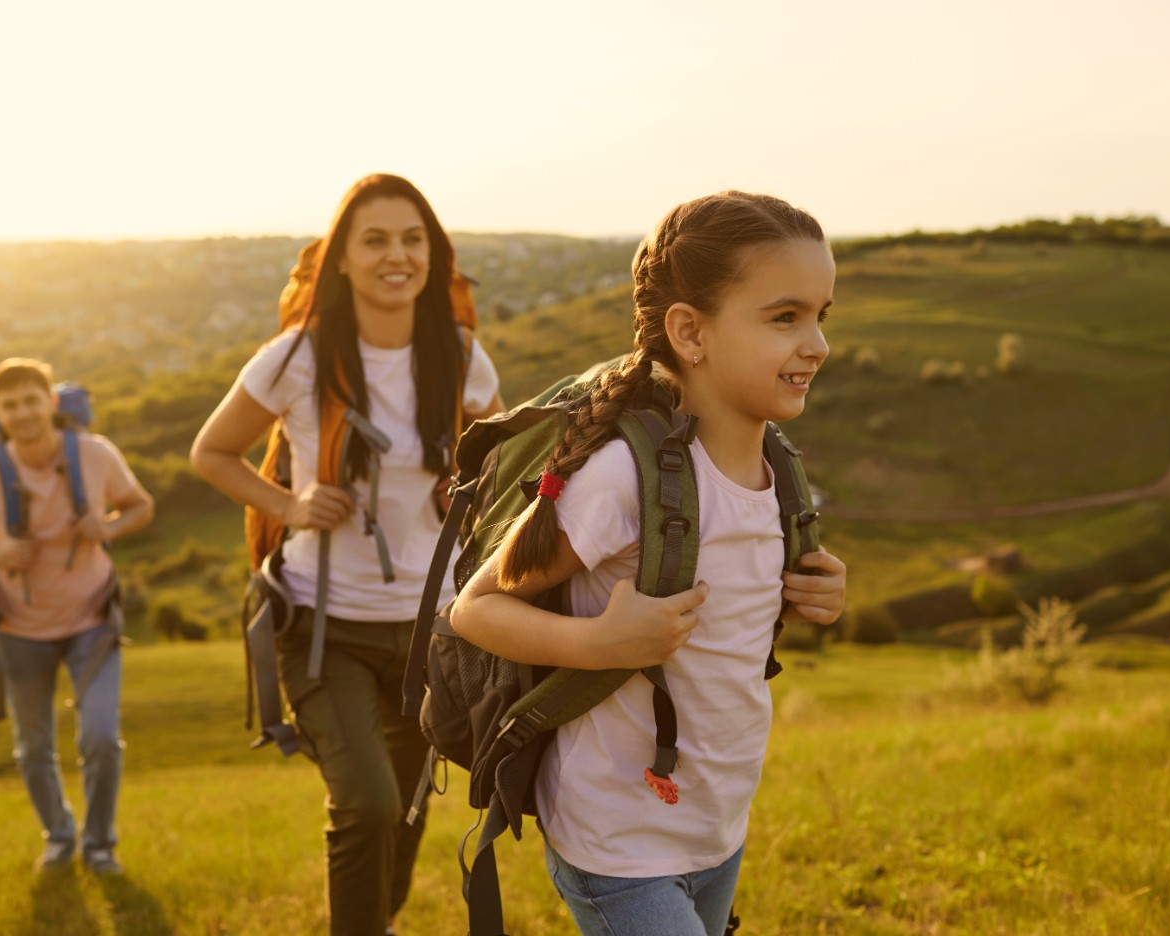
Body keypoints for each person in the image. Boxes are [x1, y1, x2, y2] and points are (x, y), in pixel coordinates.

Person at [450, 191, 848, 936]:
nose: (817, 344)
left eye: (822, 314)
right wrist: (598, 645)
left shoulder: (779, 471)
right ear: (690, 333)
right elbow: (475, 608)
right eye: (785, 317)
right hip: (617, 838)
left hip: (716, 824)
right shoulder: (623, 479)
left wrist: (811, 593)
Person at [191, 174, 504, 936]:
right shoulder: (298, 355)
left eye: (411, 239)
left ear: (433, 254)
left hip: (430, 632)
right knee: (364, 805)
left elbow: (507, 466)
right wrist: (291, 504)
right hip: (322, 624)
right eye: (375, 240)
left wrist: (466, 490)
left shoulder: (461, 354)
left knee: (401, 809)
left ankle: (377, 923)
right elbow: (213, 452)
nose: (396, 255)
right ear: (340, 260)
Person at [0, 358, 155, 876]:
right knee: (32, 746)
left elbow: (140, 506)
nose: (23, 412)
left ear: (51, 403)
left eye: (31, 400)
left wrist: (108, 527)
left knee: (100, 736)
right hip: (17, 628)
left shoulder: (96, 454)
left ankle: (100, 843)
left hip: (93, 619)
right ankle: (59, 836)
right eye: (10, 405)